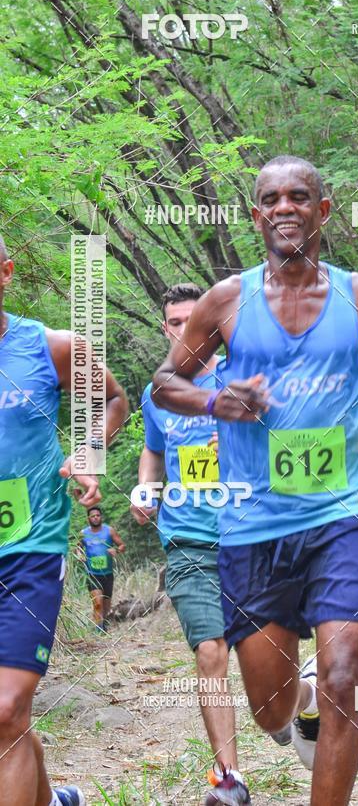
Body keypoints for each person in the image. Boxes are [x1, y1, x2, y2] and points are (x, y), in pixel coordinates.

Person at [152, 156, 358, 806]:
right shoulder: (227, 300)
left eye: (299, 196)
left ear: (321, 210)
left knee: (343, 678)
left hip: (344, 513)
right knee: (268, 707)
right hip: (255, 525)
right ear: (256, 217)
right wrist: (216, 401)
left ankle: (321, 703)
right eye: (271, 199)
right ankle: (296, 701)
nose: (285, 208)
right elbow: (165, 384)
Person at [0, 233, 129, 806]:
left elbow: (114, 399)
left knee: (6, 707)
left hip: (31, 546)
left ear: (6, 273)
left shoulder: (48, 347)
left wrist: (90, 450)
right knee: (8, 717)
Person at [132, 283, 250, 806]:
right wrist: (146, 487)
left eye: (193, 320)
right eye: (175, 322)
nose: (185, 330)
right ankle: (229, 779)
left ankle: (300, 707)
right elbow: (153, 451)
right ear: (165, 329)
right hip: (189, 540)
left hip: (251, 535)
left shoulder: (242, 374)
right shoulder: (157, 392)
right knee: (210, 651)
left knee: (270, 666)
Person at [78, 506, 125, 632]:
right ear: (88, 518)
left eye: (98, 515)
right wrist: (79, 554)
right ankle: (99, 630)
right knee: (98, 603)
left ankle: (103, 624)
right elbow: (77, 548)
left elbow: (122, 545)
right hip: (92, 573)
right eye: (93, 516)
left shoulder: (109, 531)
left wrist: (116, 550)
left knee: (106, 605)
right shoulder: (83, 533)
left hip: (107, 574)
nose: (95, 518)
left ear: (101, 517)